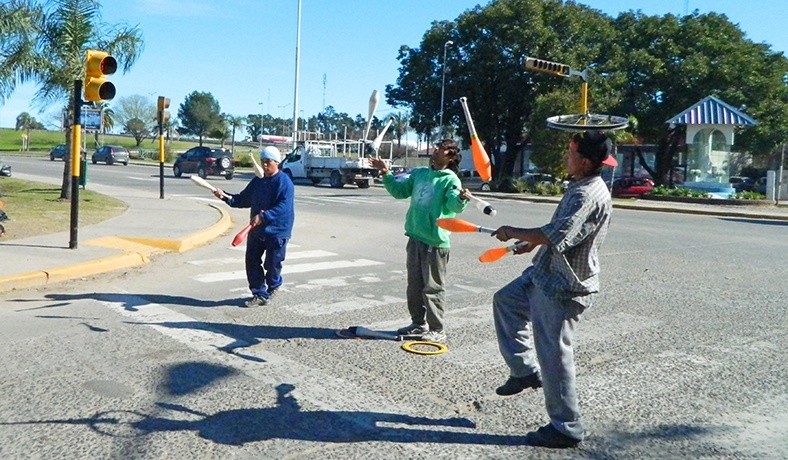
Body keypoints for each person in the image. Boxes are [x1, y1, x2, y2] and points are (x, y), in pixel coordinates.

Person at [490, 130, 615, 448]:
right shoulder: (580, 185)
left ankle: (566, 427)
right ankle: (523, 371)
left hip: (564, 285)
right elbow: (563, 234)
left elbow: (557, 233)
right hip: (545, 272)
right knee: (506, 301)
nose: (565, 157)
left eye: (570, 153)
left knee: (555, 355)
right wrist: (529, 244)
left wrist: (511, 231)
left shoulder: (586, 193)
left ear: (584, 161)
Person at [370, 139, 470, 343]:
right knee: (414, 286)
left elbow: (454, 205)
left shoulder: (450, 180)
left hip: (435, 242)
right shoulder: (420, 174)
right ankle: (418, 324)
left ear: (450, 157)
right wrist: (386, 173)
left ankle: (437, 329)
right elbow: (399, 192)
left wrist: (461, 199)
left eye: (442, 149)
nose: (436, 150)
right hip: (415, 236)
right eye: (437, 146)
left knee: (432, 288)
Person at [213, 146, 295, 307]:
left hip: (278, 231)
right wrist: (224, 196)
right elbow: (243, 199)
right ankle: (259, 293)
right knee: (251, 260)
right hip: (257, 230)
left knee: (272, 264)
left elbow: (284, 206)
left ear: (276, 163)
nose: (264, 165)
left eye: (268, 162)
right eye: (262, 162)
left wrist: (263, 216)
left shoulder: (284, 182)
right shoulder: (258, 180)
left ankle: (274, 284)